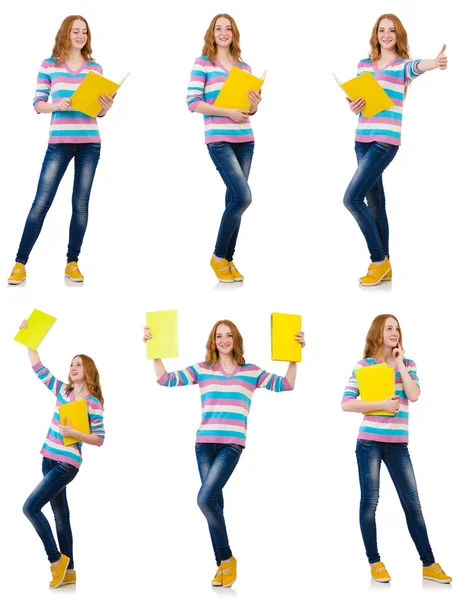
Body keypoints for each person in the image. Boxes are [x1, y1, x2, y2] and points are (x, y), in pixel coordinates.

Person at [144, 319, 305, 586]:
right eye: (219, 336)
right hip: (204, 445)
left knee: (204, 500)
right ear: (213, 340)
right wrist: (155, 349)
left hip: (231, 444)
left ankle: (227, 559)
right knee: (214, 503)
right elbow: (165, 379)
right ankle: (222, 564)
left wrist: (294, 355)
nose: (224, 340)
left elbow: (286, 385)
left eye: (229, 335)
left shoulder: (250, 371)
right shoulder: (203, 369)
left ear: (236, 339)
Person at [341, 314, 451, 583]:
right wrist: (379, 404)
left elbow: (413, 395)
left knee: (413, 505)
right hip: (369, 443)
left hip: (398, 444)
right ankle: (375, 562)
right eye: (389, 328)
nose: (395, 332)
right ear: (378, 332)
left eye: (397, 329)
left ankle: (429, 564)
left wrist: (400, 362)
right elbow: (346, 403)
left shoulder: (408, 364)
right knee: (370, 503)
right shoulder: (364, 366)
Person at [8, 15, 115, 285]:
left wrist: (106, 106)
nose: (80, 36)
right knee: (41, 203)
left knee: (80, 204)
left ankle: (72, 263)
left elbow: (99, 113)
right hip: (59, 143)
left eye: (84, 32)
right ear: (65, 34)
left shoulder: (95, 68)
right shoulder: (50, 66)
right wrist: (58, 106)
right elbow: (37, 104)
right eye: (75, 31)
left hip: (90, 143)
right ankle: (20, 263)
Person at [343, 14, 448, 286]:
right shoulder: (364, 65)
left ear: (398, 35)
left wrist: (435, 63)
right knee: (375, 204)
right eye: (381, 30)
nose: (386, 34)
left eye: (391, 30)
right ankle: (386, 265)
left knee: (352, 199)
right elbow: (361, 103)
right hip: (361, 138)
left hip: (384, 141)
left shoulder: (401, 66)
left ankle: (378, 261)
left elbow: (418, 65)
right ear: (375, 34)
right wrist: (355, 105)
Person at [19, 320, 105, 588]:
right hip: (48, 458)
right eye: (71, 364)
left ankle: (56, 560)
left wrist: (76, 433)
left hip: (67, 464)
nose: (73, 368)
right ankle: (70, 572)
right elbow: (38, 367)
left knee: (30, 507)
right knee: (61, 516)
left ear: (88, 370)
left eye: (78, 364)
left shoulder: (93, 401)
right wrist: (29, 338)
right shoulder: (63, 391)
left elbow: (100, 439)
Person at [186, 14, 262, 283]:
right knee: (243, 197)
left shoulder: (245, 67)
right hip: (218, 139)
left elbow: (250, 110)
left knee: (234, 201)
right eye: (218, 28)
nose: (223, 32)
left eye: (228, 28)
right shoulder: (203, 64)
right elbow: (193, 102)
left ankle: (229, 260)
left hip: (245, 138)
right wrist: (228, 111)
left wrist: (254, 103)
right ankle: (218, 256)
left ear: (234, 33)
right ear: (211, 33)